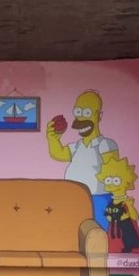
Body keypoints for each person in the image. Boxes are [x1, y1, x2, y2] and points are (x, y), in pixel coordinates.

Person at [46, 89, 117, 229]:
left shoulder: (105, 144)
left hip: (98, 198)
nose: (80, 119)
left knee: (98, 231)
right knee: (75, 230)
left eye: (87, 113)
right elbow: (58, 153)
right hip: (75, 197)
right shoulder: (78, 146)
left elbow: (113, 171)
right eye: (78, 112)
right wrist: (52, 139)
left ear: (99, 116)